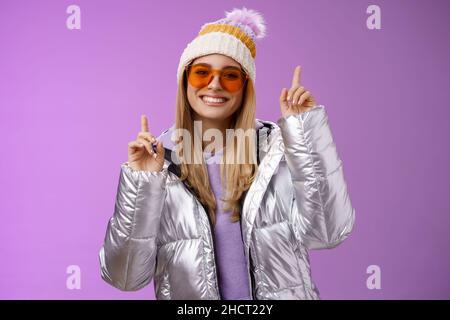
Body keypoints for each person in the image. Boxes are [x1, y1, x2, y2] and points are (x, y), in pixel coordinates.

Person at [99, 7, 355, 300]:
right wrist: (143, 184)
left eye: (230, 75)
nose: (215, 84)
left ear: (245, 87)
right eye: (201, 73)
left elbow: (327, 233)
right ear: (185, 82)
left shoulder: (278, 150)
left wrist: (305, 132)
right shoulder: (158, 164)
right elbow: (125, 277)